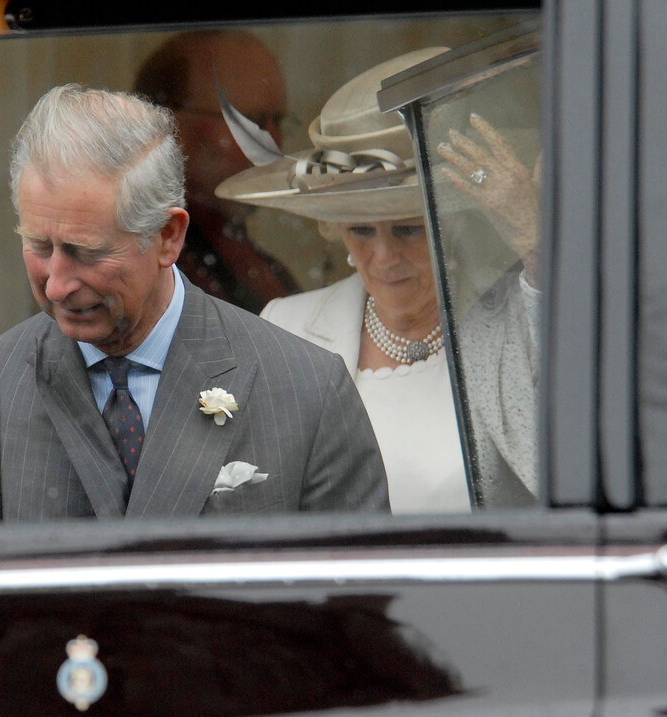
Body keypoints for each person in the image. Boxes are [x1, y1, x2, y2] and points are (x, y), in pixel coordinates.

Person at [0, 84, 388, 523]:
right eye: (40, 247)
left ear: (168, 236)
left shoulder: (307, 390)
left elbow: (358, 611)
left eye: (87, 253)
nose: (57, 286)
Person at [216, 50, 538, 512]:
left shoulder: (514, 318)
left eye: (409, 229)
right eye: (362, 230)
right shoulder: (286, 327)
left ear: (454, 223)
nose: (384, 256)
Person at [133, 29, 300, 314]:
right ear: (172, 127)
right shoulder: (147, 267)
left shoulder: (248, 260)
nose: (273, 142)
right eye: (252, 122)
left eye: (278, 122)